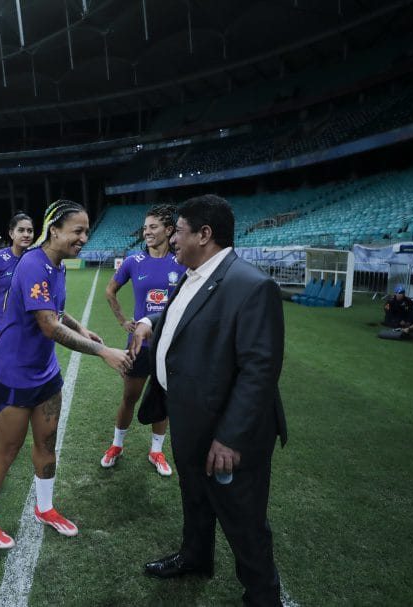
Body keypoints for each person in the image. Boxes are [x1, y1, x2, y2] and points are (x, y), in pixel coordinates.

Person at [131, 194, 287, 606]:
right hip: (191, 419)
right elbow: (179, 316)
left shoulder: (251, 286)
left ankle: (262, 595)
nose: (171, 240)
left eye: (178, 232)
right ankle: (196, 557)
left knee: (243, 519)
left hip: (226, 434)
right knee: (195, 499)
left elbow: (260, 371)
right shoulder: (196, 272)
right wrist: (149, 323)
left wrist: (230, 437)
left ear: (205, 234)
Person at [0, 200, 133, 549]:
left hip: (46, 375)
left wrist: (82, 328)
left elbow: (56, 310)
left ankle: (45, 508)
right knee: (6, 451)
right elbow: (48, 326)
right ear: (54, 230)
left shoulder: (56, 264)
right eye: (78, 230)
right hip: (13, 375)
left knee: (46, 444)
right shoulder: (31, 264)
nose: (84, 238)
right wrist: (103, 351)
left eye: (87, 231)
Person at [101, 204, 184, 476]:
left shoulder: (181, 263)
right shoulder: (132, 262)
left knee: (163, 398)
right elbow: (110, 291)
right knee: (130, 396)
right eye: (145, 227)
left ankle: (156, 451)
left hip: (171, 346)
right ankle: (117, 445)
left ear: (169, 230)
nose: (147, 232)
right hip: (139, 346)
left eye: (153, 227)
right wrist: (123, 321)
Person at [0, 212, 34, 351]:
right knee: (1, 371)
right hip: (1, 328)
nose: (26, 234)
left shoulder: (36, 259)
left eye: (30, 231)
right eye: (21, 230)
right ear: (11, 233)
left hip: (29, 328)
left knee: (27, 371)